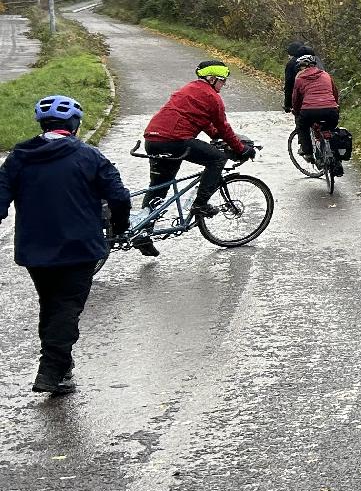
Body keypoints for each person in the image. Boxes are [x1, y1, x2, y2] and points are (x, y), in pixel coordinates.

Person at [0, 95, 131, 395]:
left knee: (52, 305)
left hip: (35, 250)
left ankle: (61, 369)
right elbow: (119, 197)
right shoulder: (90, 156)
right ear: (74, 124)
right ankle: (49, 370)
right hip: (79, 248)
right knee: (66, 308)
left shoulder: (19, 157)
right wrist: (120, 227)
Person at [144, 59, 255, 216]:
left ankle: (142, 234)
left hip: (152, 139)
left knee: (159, 186)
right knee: (218, 159)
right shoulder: (212, 97)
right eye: (222, 81)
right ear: (212, 79)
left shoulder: (188, 89)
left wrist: (215, 135)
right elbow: (223, 127)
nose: (223, 85)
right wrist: (242, 149)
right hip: (174, 140)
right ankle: (200, 205)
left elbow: (200, 120)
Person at [290, 52, 342, 170]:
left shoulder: (299, 79)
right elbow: (335, 93)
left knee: (302, 127)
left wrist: (297, 112)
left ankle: (308, 153)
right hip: (331, 110)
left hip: (309, 111)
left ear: (300, 68)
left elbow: (296, 99)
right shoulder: (326, 75)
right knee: (331, 130)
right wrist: (335, 106)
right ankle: (336, 158)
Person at [282, 41, 314, 114]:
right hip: (325, 101)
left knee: (301, 120)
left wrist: (287, 105)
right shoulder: (317, 61)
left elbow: (289, 85)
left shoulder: (292, 63)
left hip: (303, 99)